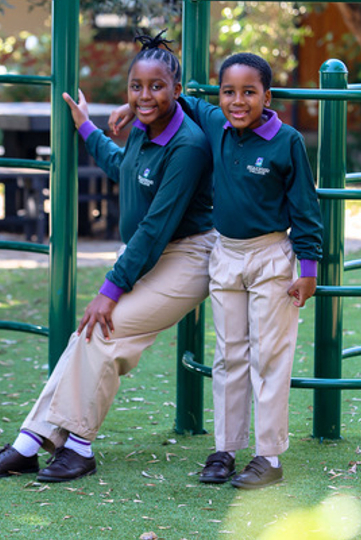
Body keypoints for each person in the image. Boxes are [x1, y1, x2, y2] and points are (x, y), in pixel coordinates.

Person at [0, 31, 216, 483]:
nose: (145, 96)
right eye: (136, 87)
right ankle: (30, 443)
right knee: (87, 337)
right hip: (151, 255)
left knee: (106, 327)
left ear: (177, 90)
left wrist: (110, 289)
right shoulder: (144, 129)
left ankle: (77, 447)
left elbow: (155, 229)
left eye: (157, 86)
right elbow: (122, 166)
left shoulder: (189, 147)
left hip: (188, 257)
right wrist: (86, 126)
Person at [110, 52, 323, 489]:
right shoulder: (215, 125)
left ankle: (269, 457)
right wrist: (131, 108)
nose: (237, 101)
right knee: (229, 356)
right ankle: (225, 448)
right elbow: (179, 100)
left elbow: (305, 208)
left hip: (269, 258)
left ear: (268, 95)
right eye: (229, 92)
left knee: (270, 356)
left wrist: (308, 267)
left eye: (249, 92)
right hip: (224, 255)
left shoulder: (286, 141)